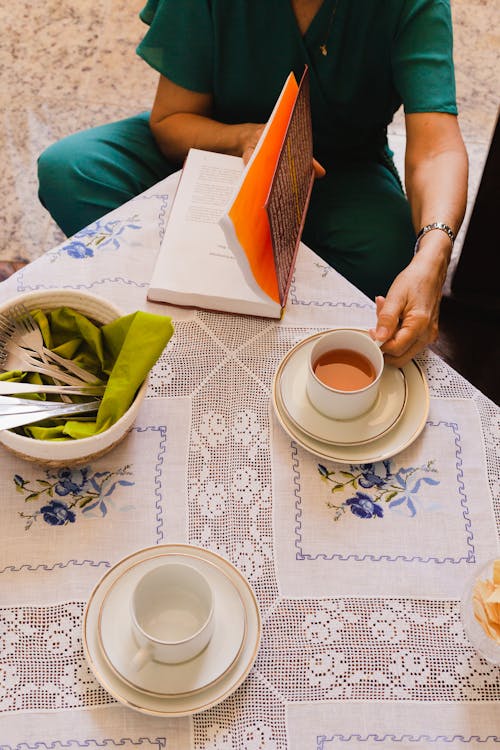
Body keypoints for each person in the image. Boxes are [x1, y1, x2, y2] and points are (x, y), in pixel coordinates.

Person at [37, 0, 468, 367]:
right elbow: (172, 122)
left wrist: (433, 254)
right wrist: (244, 138)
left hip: (342, 170)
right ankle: (228, 302)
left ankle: (205, 296)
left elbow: (436, 148)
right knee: (71, 170)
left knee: (391, 249)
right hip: (215, 149)